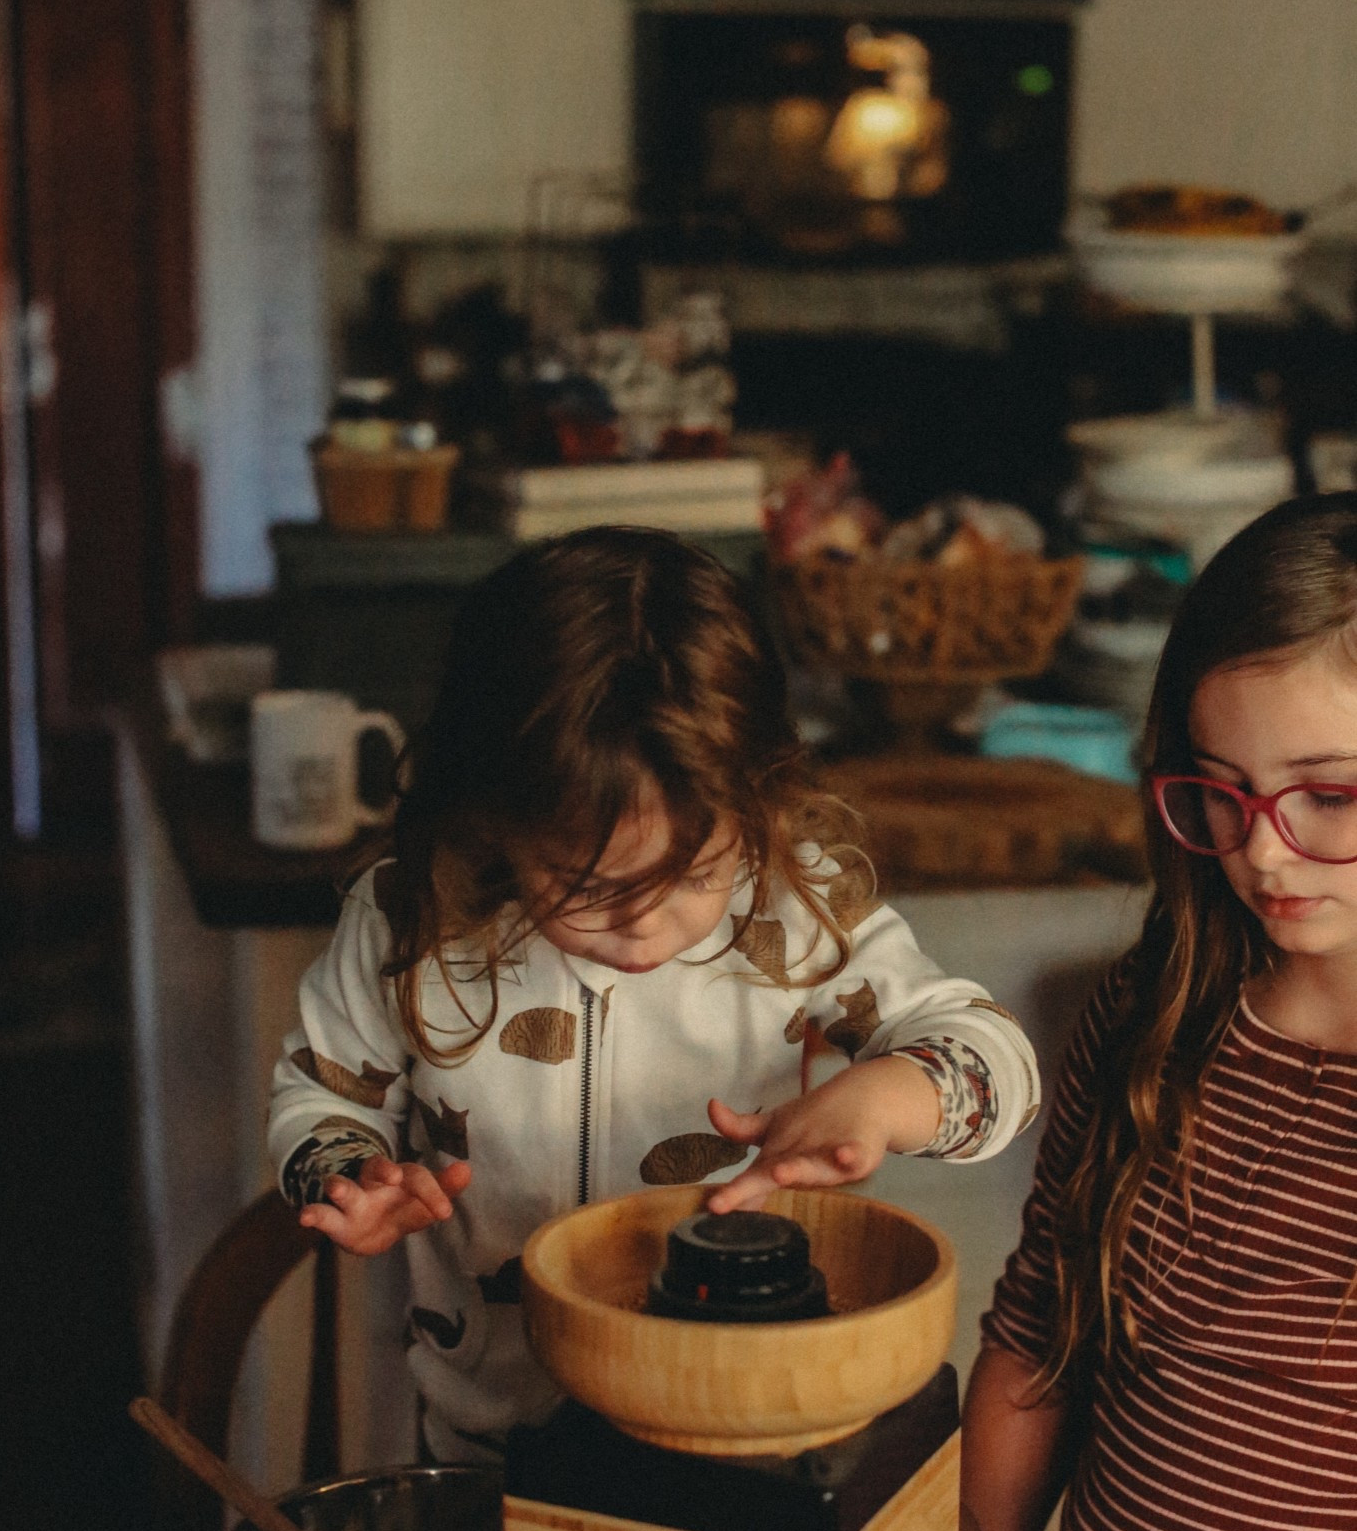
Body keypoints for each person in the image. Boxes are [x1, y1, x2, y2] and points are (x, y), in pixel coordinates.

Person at [269, 526, 1039, 1463]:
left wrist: (888, 1095)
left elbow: (997, 1062)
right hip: (486, 1438)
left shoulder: (792, 907)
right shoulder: (411, 917)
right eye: (587, 886)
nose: (644, 924)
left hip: (728, 1429)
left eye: (696, 873)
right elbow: (321, 1094)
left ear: (756, 807)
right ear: (495, 816)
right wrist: (349, 1170)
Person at [962, 494, 1357, 1531]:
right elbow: (1035, 1343)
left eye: (1328, 795)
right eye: (1217, 791)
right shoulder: (1154, 1015)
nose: (1260, 852)